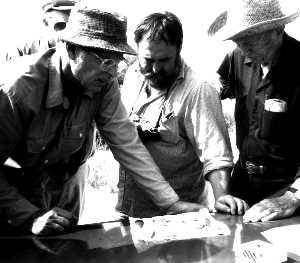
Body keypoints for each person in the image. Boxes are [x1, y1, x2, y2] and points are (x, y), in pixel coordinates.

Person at [0, 3, 198, 236]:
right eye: (104, 61)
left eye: (117, 61)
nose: (113, 72)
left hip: (61, 181)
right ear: (71, 50)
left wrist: (170, 203)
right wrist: (29, 217)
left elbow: (126, 143)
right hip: (10, 189)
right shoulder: (17, 89)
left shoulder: (104, 83)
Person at [116, 11, 247, 218]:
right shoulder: (133, 75)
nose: (155, 68)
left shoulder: (198, 90)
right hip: (130, 207)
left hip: (181, 215)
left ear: (178, 51)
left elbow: (215, 155)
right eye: (148, 60)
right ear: (137, 50)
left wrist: (222, 197)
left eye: (164, 60)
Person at [209, 0, 300, 222]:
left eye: (250, 40)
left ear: (278, 30)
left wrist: (294, 198)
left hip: (287, 191)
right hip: (241, 185)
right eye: (237, 40)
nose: (243, 49)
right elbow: (220, 86)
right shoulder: (236, 57)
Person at [4, 0, 78, 61]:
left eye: (73, 26)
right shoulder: (21, 51)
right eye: (61, 25)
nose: (68, 32)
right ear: (46, 23)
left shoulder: (83, 52)